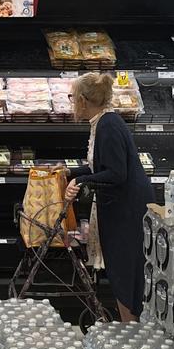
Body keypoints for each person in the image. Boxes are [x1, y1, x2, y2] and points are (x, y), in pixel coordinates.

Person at [64, 72, 154, 322]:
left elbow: (116, 173)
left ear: (83, 100)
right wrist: (69, 171)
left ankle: (131, 328)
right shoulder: (102, 122)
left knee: (124, 266)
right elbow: (99, 168)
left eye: (72, 97)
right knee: (119, 266)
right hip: (120, 205)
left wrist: (80, 182)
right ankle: (129, 325)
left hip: (127, 209)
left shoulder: (109, 126)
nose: (71, 102)